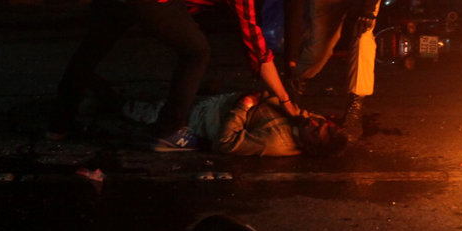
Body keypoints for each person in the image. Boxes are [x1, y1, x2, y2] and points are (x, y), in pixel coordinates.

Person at [49, 0, 300, 151]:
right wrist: (286, 101)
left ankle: (58, 126)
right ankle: (168, 132)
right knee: (197, 52)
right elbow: (255, 44)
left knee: (91, 49)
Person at [284, 0, 394, 140]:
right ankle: (293, 86)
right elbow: (294, 3)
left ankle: (356, 105)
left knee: (362, 39)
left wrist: (366, 10)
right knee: (320, 45)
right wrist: (291, 55)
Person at [123, 90, 347, 157]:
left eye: (318, 131)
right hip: (216, 100)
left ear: (309, 146)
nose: (315, 123)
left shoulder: (275, 142)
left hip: (203, 117)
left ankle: (106, 105)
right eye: (322, 123)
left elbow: (226, 143)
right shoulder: (305, 121)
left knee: (141, 112)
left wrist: (245, 105)